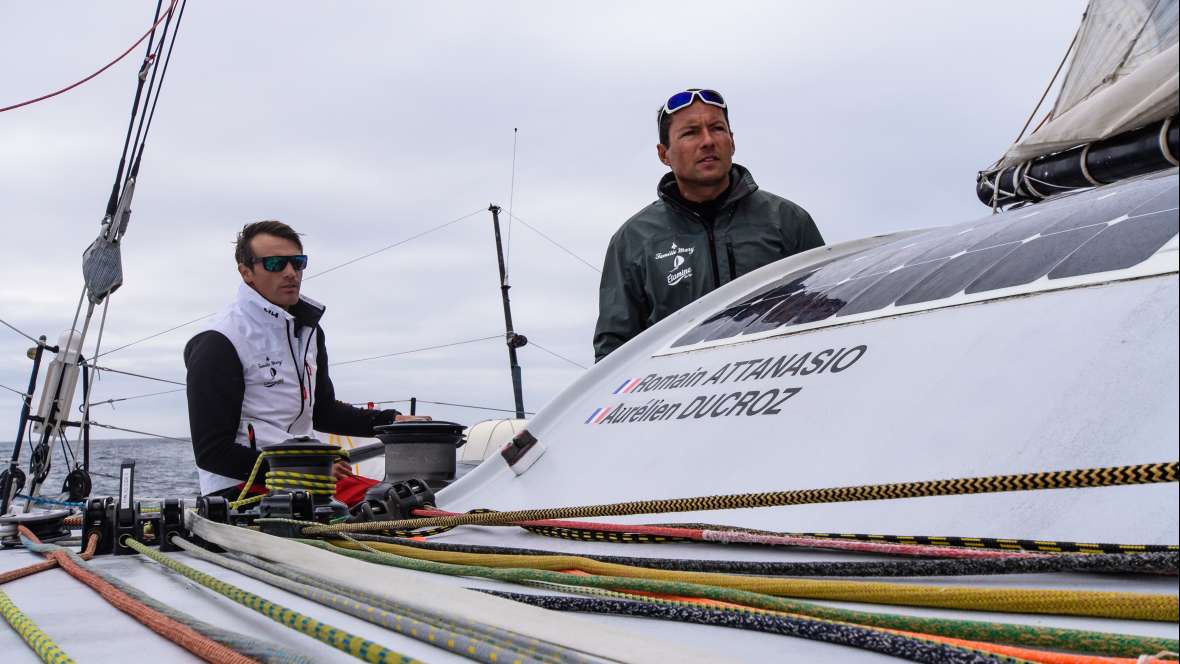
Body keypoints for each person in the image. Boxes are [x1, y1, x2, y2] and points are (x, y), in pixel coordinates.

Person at [184, 220, 423, 499]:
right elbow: (212, 452)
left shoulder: (308, 331)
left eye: (297, 263)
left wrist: (391, 422)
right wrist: (306, 470)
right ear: (246, 272)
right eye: (275, 264)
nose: (290, 273)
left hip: (303, 479)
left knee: (410, 497)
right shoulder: (220, 341)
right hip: (241, 489)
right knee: (390, 502)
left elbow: (323, 412)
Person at [593, 88, 824, 361]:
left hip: (778, 390)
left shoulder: (787, 220)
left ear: (732, 141)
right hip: (681, 397)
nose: (707, 141)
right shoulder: (633, 240)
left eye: (717, 129)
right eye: (690, 133)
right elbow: (613, 353)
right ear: (663, 153)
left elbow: (827, 313)